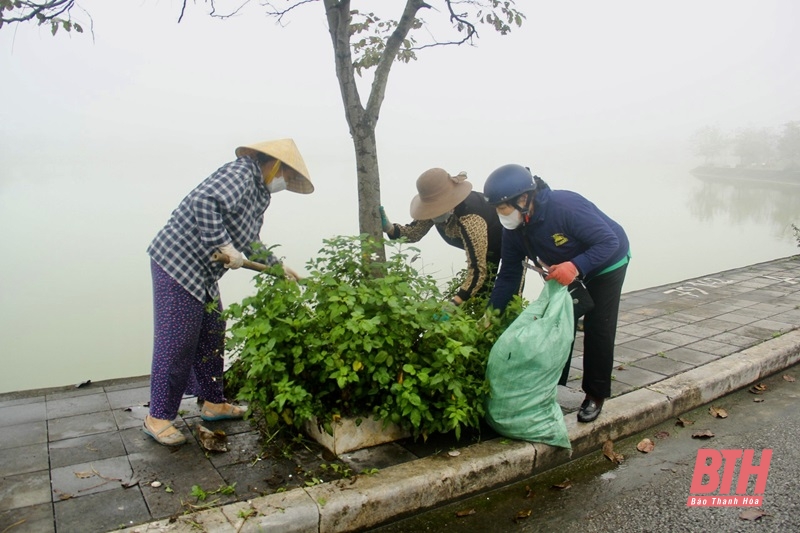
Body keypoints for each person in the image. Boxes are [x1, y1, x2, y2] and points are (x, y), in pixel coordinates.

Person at [144, 138, 313, 446]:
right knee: (177, 340)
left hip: (202, 272)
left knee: (212, 332)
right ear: (274, 165)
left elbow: (250, 240)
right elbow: (204, 202)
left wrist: (278, 267)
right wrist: (223, 243)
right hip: (177, 262)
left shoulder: (259, 193)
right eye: (285, 176)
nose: (283, 183)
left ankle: (213, 402)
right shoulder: (240, 173)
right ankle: (158, 416)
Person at [483, 164, 630, 423]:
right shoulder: (515, 228)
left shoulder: (565, 207)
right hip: (566, 269)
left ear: (524, 199)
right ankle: (552, 386)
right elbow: (508, 275)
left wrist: (576, 266)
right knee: (558, 324)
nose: (500, 215)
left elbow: (609, 242)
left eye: (502, 208)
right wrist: (490, 315)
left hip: (607, 262)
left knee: (599, 328)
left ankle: (595, 395)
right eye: (496, 208)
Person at [380, 168, 503, 306]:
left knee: (504, 296)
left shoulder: (471, 220)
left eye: (438, 207)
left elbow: (477, 270)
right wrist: (389, 228)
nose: (433, 213)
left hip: (505, 242)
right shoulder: (433, 211)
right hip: (481, 248)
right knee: (478, 300)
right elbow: (414, 232)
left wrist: (454, 303)